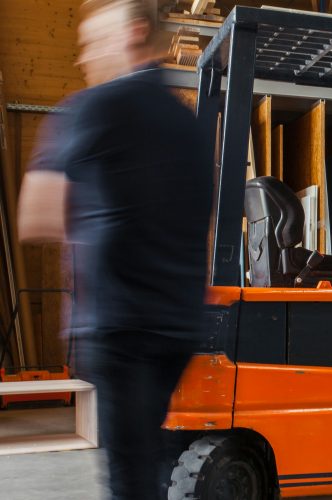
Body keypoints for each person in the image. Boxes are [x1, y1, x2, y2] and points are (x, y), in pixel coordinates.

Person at [17, 0, 213, 498]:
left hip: (119, 323)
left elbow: (36, 214)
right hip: (177, 324)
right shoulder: (189, 126)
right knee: (146, 464)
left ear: (134, 33)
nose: (84, 58)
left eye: (92, 42)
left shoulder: (94, 107)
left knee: (129, 478)